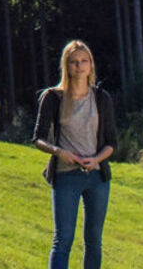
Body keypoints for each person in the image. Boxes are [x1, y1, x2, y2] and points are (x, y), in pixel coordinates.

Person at [32, 40, 116, 269]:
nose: (79, 66)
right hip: (66, 174)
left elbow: (111, 143)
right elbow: (38, 138)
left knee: (94, 240)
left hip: (97, 176)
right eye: (74, 62)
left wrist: (96, 159)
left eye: (84, 61)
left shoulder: (101, 98)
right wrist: (60, 153)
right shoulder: (53, 97)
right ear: (66, 66)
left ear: (91, 65)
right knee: (63, 239)